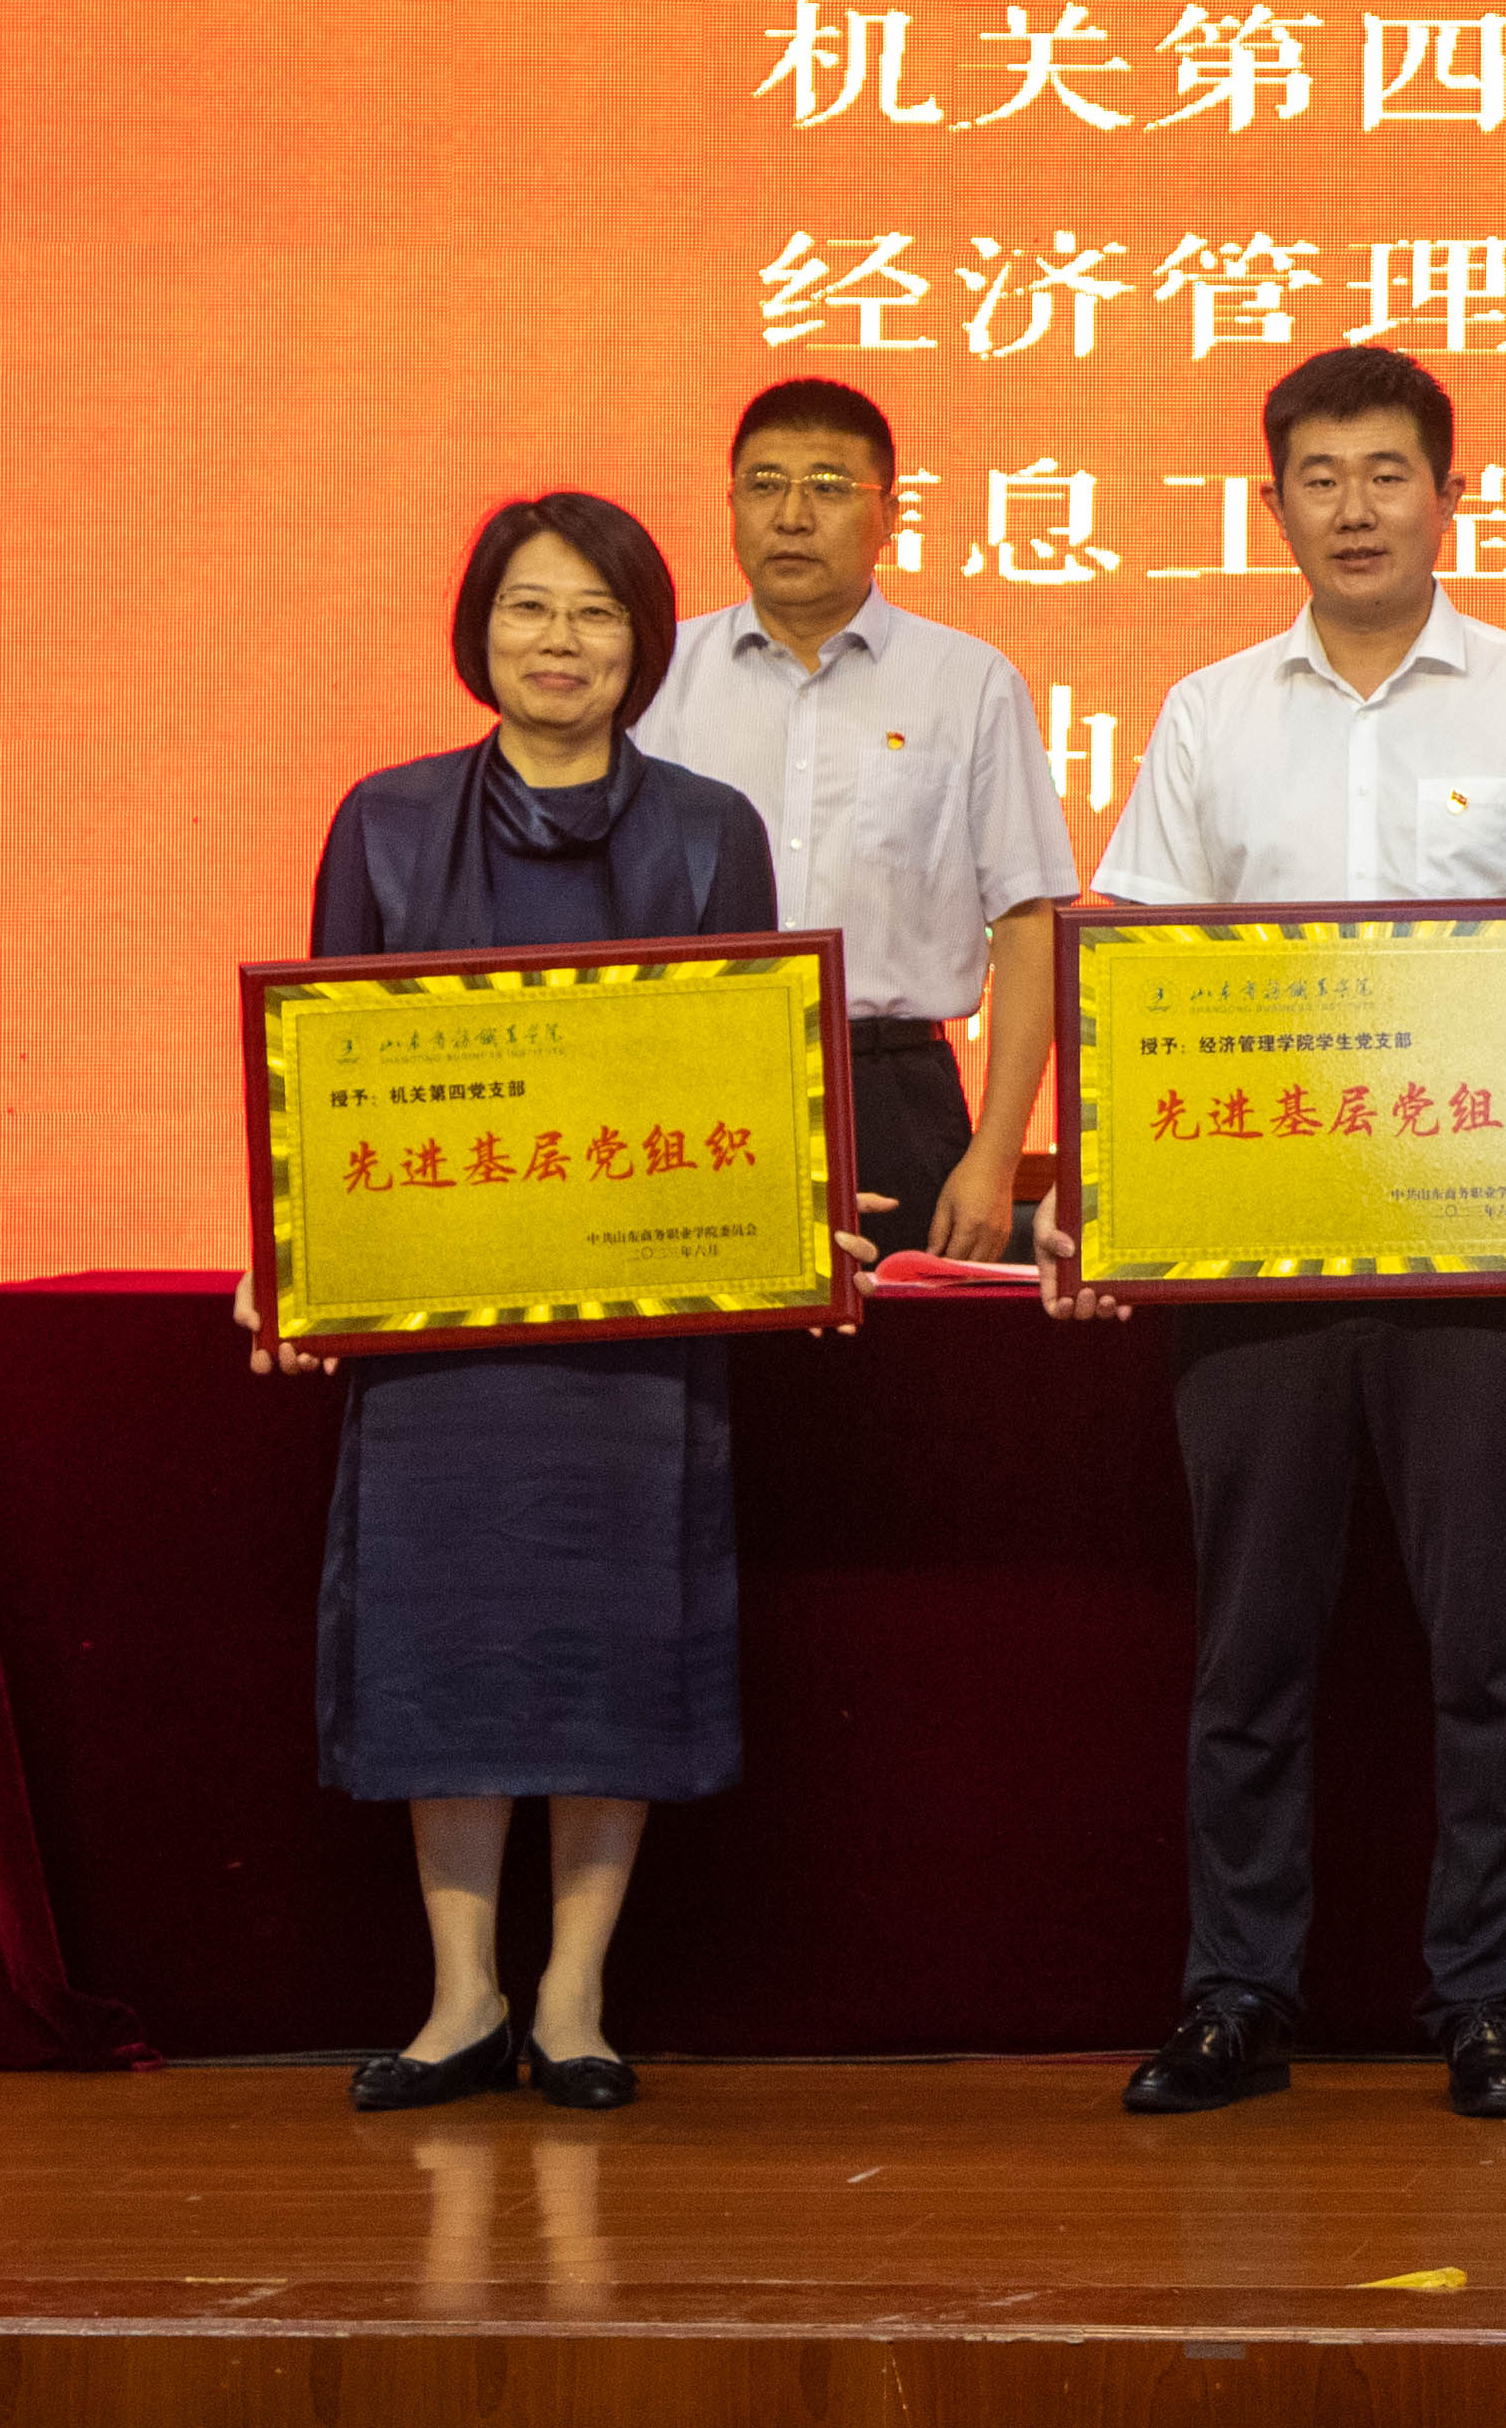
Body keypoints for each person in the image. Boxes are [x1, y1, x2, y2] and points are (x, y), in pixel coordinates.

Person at [1068, 348, 1506, 2125]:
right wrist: (1103, 1193)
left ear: (1447, 494)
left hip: (1485, 1247)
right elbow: (1141, 967)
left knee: (1492, 1651)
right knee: (1249, 1651)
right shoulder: (1208, 713)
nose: (1354, 508)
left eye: (1386, 474)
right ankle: (1239, 1993)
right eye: (1318, 479)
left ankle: (1485, 1999)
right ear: (1275, 508)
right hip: (1254, 1247)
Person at [291, 492, 780, 2119]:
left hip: (637, 1321)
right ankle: (461, 1998)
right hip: (443, 1327)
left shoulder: (712, 829)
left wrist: (791, 1202)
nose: (558, 642)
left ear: (643, 642)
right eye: (527, 608)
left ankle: (574, 1996)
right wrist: (295, 1249)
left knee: (606, 1635)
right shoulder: (381, 820)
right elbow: (325, 1082)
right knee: (448, 1634)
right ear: (478, 630)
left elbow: (744, 1070)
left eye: (594, 612)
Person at [638, 377, 1080, 1259]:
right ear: (731, 504)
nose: (792, 516)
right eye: (765, 485)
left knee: (900, 1348)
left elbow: (1027, 920)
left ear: (892, 514)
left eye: (829, 487)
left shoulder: (967, 682)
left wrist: (999, 1157)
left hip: (893, 1092)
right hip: (688, 1084)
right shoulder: (655, 675)